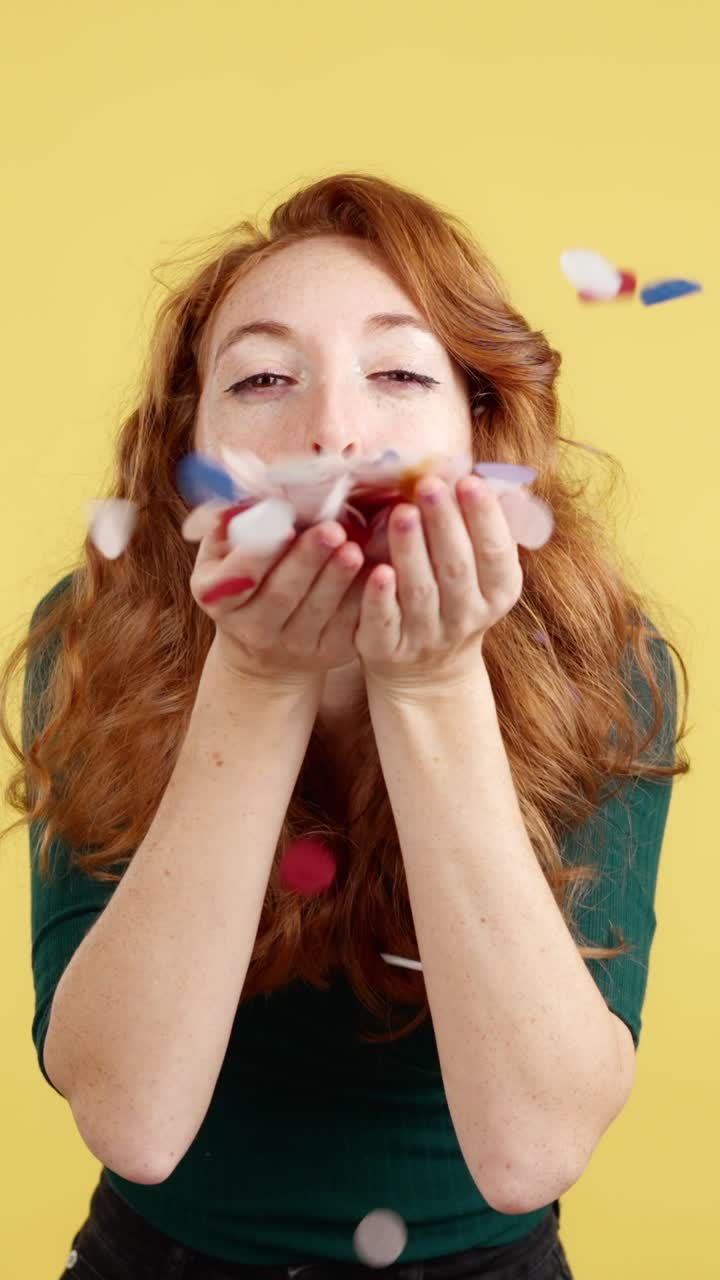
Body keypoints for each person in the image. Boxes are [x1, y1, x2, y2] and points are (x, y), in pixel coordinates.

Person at [1, 172, 688, 1280]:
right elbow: (130, 1116)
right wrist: (259, 673)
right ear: (197, 447)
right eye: (264, 376)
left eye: (401, 372)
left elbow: (534, 1149)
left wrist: (431, 684)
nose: (333, 427)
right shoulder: (99, 634)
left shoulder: (602, 659)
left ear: (478, 430)